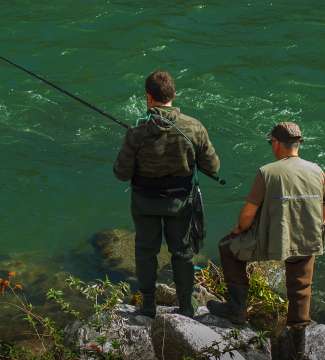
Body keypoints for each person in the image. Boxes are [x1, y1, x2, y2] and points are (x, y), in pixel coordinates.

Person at [207, 122, 324, 359]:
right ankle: (298, 344)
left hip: (271, 240)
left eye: (271, 142)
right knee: (301, 286)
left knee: (227, 248)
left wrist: (239, 230)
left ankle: (237, 310)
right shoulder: (318, 171)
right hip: (307, 237)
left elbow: (248, 214)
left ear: (278, 144)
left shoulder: (267, 171)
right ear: (298, 144)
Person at [113, 70, 220, 318]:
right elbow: (213, 167)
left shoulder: (136, 131)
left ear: (149, 98)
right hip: (180, 203)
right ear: (173, 94)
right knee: (182, 253)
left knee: (145, 252)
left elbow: (121, 172)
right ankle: (185, 306)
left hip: (145, 202)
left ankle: (148, 305)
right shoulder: (194, 127)